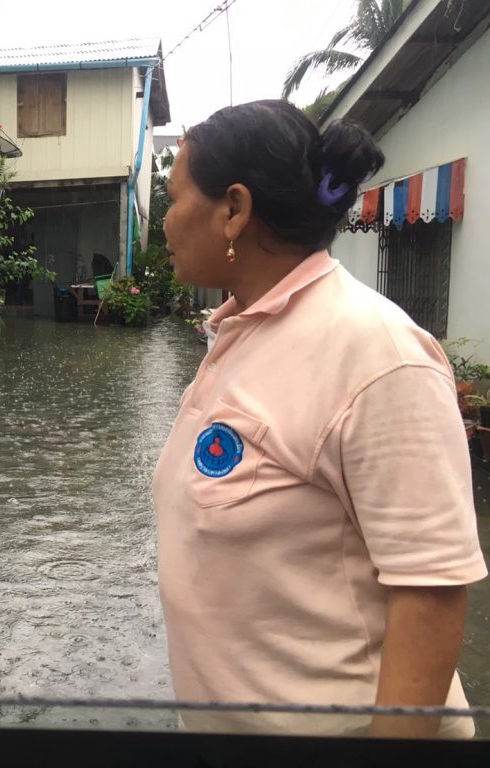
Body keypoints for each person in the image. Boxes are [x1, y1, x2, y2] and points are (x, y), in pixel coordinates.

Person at [153, 100, 486, 738]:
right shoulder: (242, 332)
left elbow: (432, 591)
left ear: (234, 210)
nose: (162, 223)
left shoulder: (378, 356)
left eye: (173, 199)